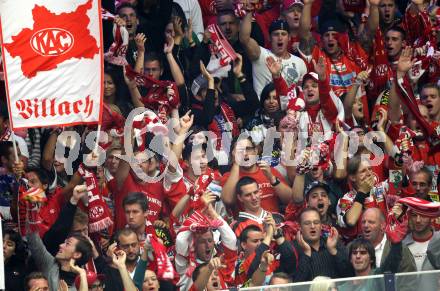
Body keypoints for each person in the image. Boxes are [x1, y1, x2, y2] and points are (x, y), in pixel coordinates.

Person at [239, 9, 307, 97]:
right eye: (276, 34)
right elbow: (244, 39)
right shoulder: (260, 55)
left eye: (283, 34)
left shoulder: (300, 63)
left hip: (290, 110)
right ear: (269, 38)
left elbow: (302, 93)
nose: (280, 38)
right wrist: (248, 12)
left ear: (289, 38)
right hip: (264, 108)